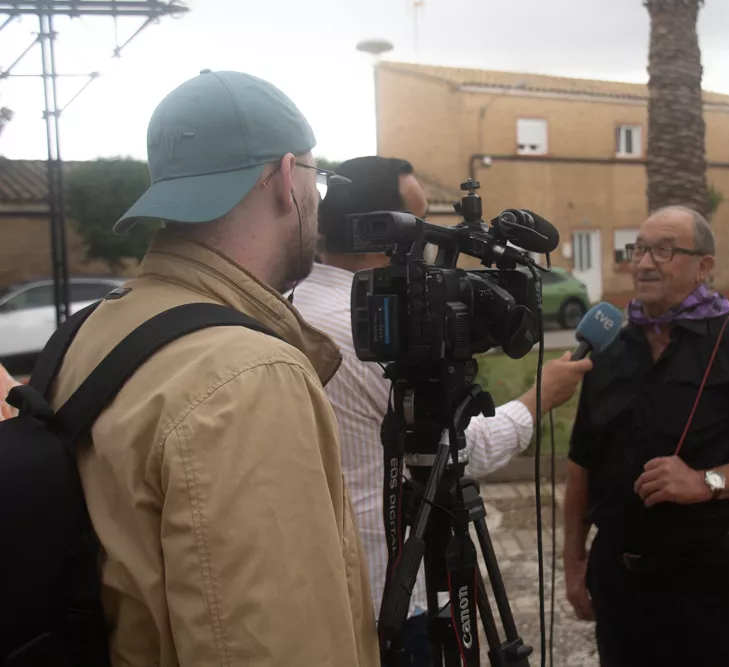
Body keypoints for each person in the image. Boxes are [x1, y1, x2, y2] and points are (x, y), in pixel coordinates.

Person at [49, 70, 379, 666]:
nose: (315, 201)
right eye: (314, 179)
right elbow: (273, 648)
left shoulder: (91, 329)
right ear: (284, 180)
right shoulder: (248, 376)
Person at [292, 155, 593, 664]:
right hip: (390, 594)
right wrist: (540, 396)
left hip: (317, 589)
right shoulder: (367, 335)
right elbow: (457, 449)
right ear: (386, 233)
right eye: (422, 222)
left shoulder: (288, 303)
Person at [562, 206, 729, 666]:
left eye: (664, 250)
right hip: (620, 585)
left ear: (703, 267)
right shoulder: (608, 349)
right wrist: (575, 565)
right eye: (640, 249)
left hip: (709, 587)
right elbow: (581, 466)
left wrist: (706, 481)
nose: (645, 263)